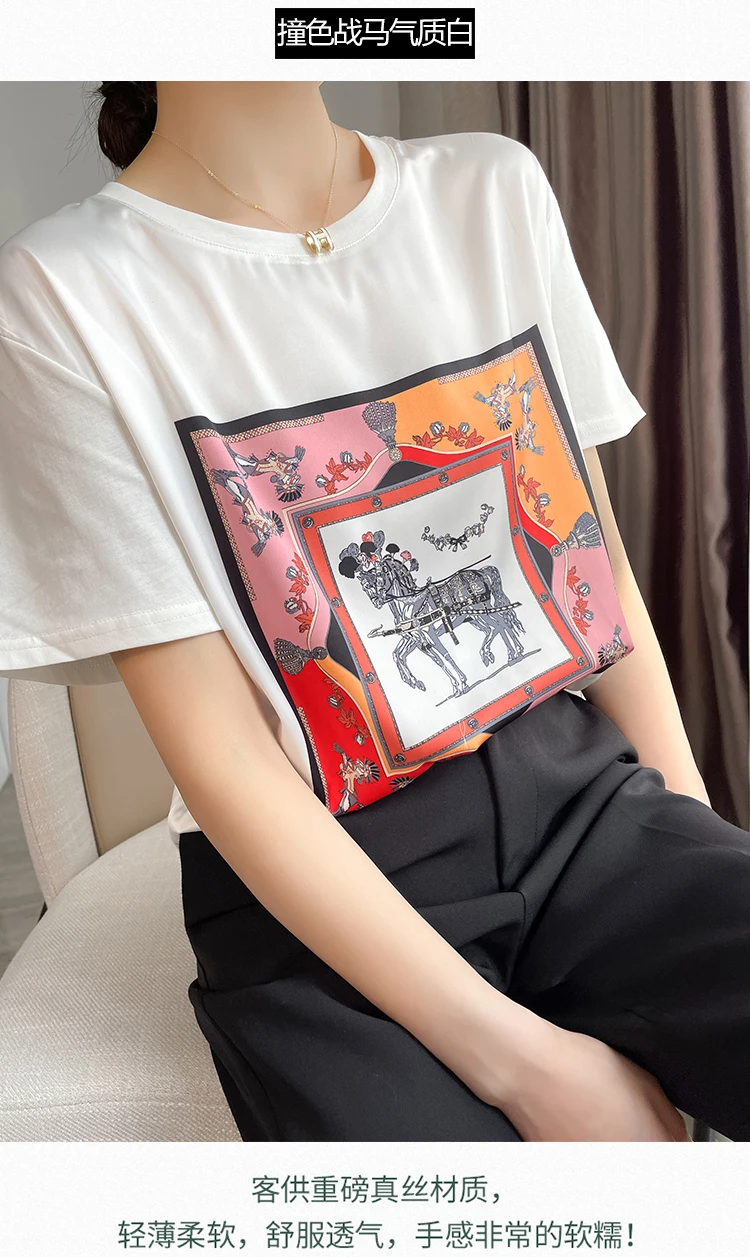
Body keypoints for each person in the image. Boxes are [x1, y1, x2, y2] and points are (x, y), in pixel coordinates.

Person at [0, 81, 748, 1143]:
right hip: (322, 893)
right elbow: (222, 752)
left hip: (580, 797)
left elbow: (596, 569)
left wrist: (695, 846)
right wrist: (528, 1067)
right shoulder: (66, 292)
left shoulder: (491, 191)